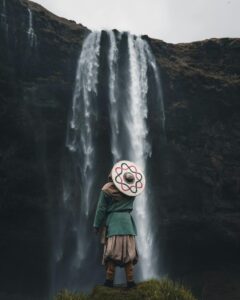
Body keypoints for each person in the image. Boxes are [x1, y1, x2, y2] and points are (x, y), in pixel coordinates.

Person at [93, 169, 139, 288]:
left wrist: (97, 225)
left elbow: (101, 209)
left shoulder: (107, 189)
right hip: (128, 225)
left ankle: (109, 281)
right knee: (129, 254)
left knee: (111, 253)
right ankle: (130, 281)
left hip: (113, 224)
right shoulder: (131, 189)